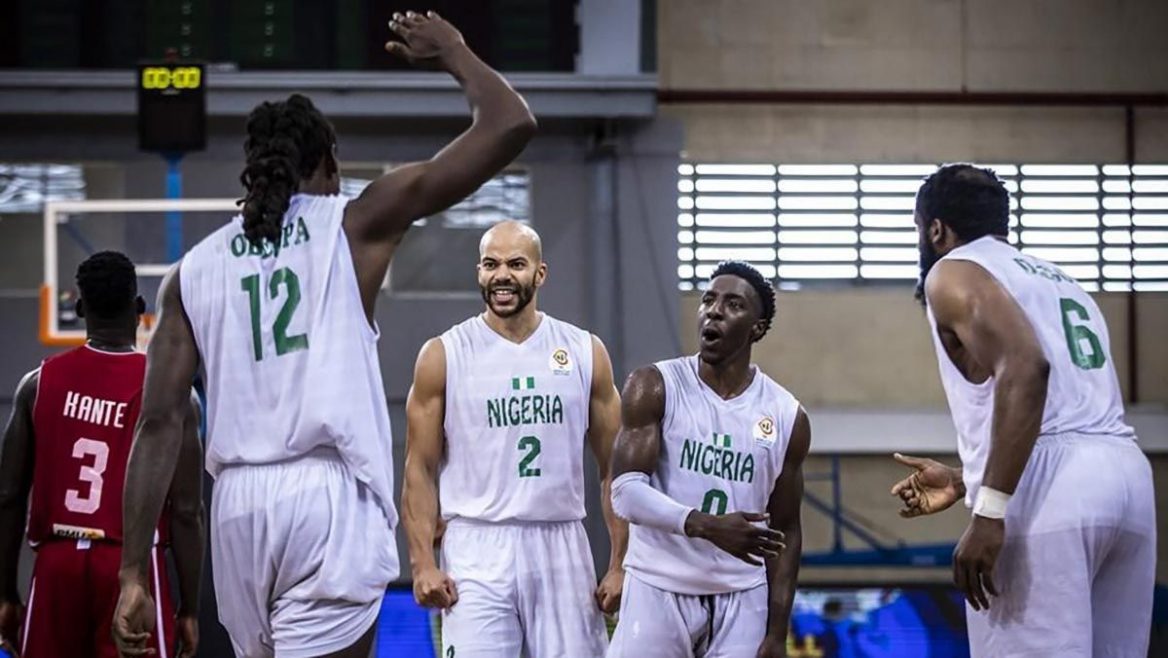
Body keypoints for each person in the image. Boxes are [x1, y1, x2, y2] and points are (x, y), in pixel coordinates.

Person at [113, 10, 537, 658]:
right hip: (325, 498)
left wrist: (133, 572)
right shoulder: (353, 224)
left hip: (237, 510)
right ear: (330, 164)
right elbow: (510, 124)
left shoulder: (190, 271)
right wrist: (452, 49)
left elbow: (158, 424)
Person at [890, 163, 1155, 657]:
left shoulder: (953, 270)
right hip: (1127, 479)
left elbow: (1027, 369)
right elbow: (1067, 415)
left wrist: (989, 509)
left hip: (1051, 492)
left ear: (935, 230)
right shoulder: (1062, 280)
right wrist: (967, 479)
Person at [402, 221, 625, 657]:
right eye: (491, 264)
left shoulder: (584, 351)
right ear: (479, 272)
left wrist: (621, 563)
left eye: (516, 264)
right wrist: (422, 562)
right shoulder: (444, 354)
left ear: (540, 274)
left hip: (560, 542)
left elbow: (617, 470)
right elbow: (419, 469)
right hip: (476, 546)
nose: (501, 275)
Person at [0, 251, 204, 658]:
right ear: (139, 309)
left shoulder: (36, 385)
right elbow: (186, 510)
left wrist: (5, 592)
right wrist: (190, 608)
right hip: (131, 565)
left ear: (79, 309)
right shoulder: (170, 392)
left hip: (56, 566)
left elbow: (8, 496)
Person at [606, 261, 810, 658]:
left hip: (742, 596)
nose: (714, 311)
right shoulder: (654, 385)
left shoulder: (787, 416)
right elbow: (625, 493)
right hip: (657, 585)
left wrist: (777, 633)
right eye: (708, 300)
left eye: (733, 304)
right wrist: (707, 526)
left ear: (757, 328)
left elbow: (786, 529)